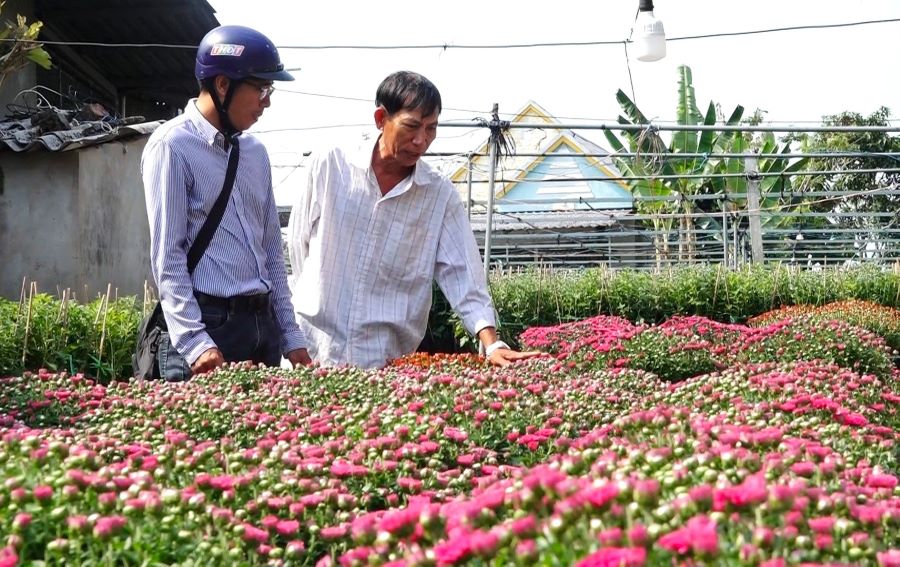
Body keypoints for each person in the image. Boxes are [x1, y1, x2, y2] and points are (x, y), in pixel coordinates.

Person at [287, 70, 540, 369]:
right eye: (411, 126)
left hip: (385, 362)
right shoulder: (331, 165)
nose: (421, 140)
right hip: (313, 350)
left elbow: (463, 272)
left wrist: (492, 342)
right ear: (381, 119)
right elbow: (297, 246)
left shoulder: (438, 194)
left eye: (432, 128)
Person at [142, 25, 310, 381]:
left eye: (271, 89)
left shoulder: (255, 153)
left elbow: (270, 251)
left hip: (260, 327)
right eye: (261, 88)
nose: (267, 101)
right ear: (222, 85)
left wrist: (290, 334)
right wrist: (194, 340)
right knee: (199, 436)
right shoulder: (172, 146)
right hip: (208, 327)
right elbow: (167, 257)